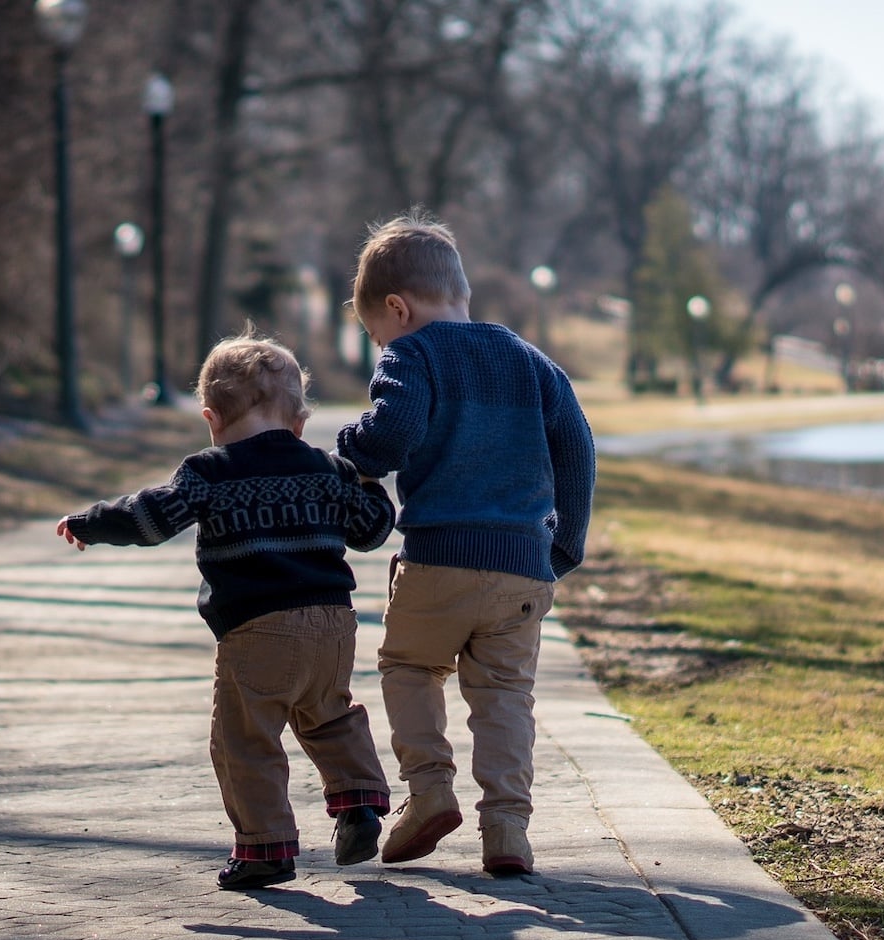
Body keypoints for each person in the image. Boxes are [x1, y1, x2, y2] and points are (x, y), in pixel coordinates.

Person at [55, 332, 398, 891]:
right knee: (330, 714)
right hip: (333, 624)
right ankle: (359, 803)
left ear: (211, 417)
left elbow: (152, 518)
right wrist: (370, 481)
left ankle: (265, 848)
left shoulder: (209, 471)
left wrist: (93, 522)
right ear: (299, 420)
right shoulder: (325, 468)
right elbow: (371, 531)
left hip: (257, 629)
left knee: (245, 739)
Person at [337, 211, 594, 876]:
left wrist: (352, 447)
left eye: (375, 333)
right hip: (522, 570)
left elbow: (389, 437)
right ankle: (507, 829)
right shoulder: (528, 360)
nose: (379, 344)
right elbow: (578, 448)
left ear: (398, 308)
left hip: (439, 559)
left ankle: (428, 791)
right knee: (506, 694)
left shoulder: (412, 354)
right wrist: (564, 546)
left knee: (409, 667)